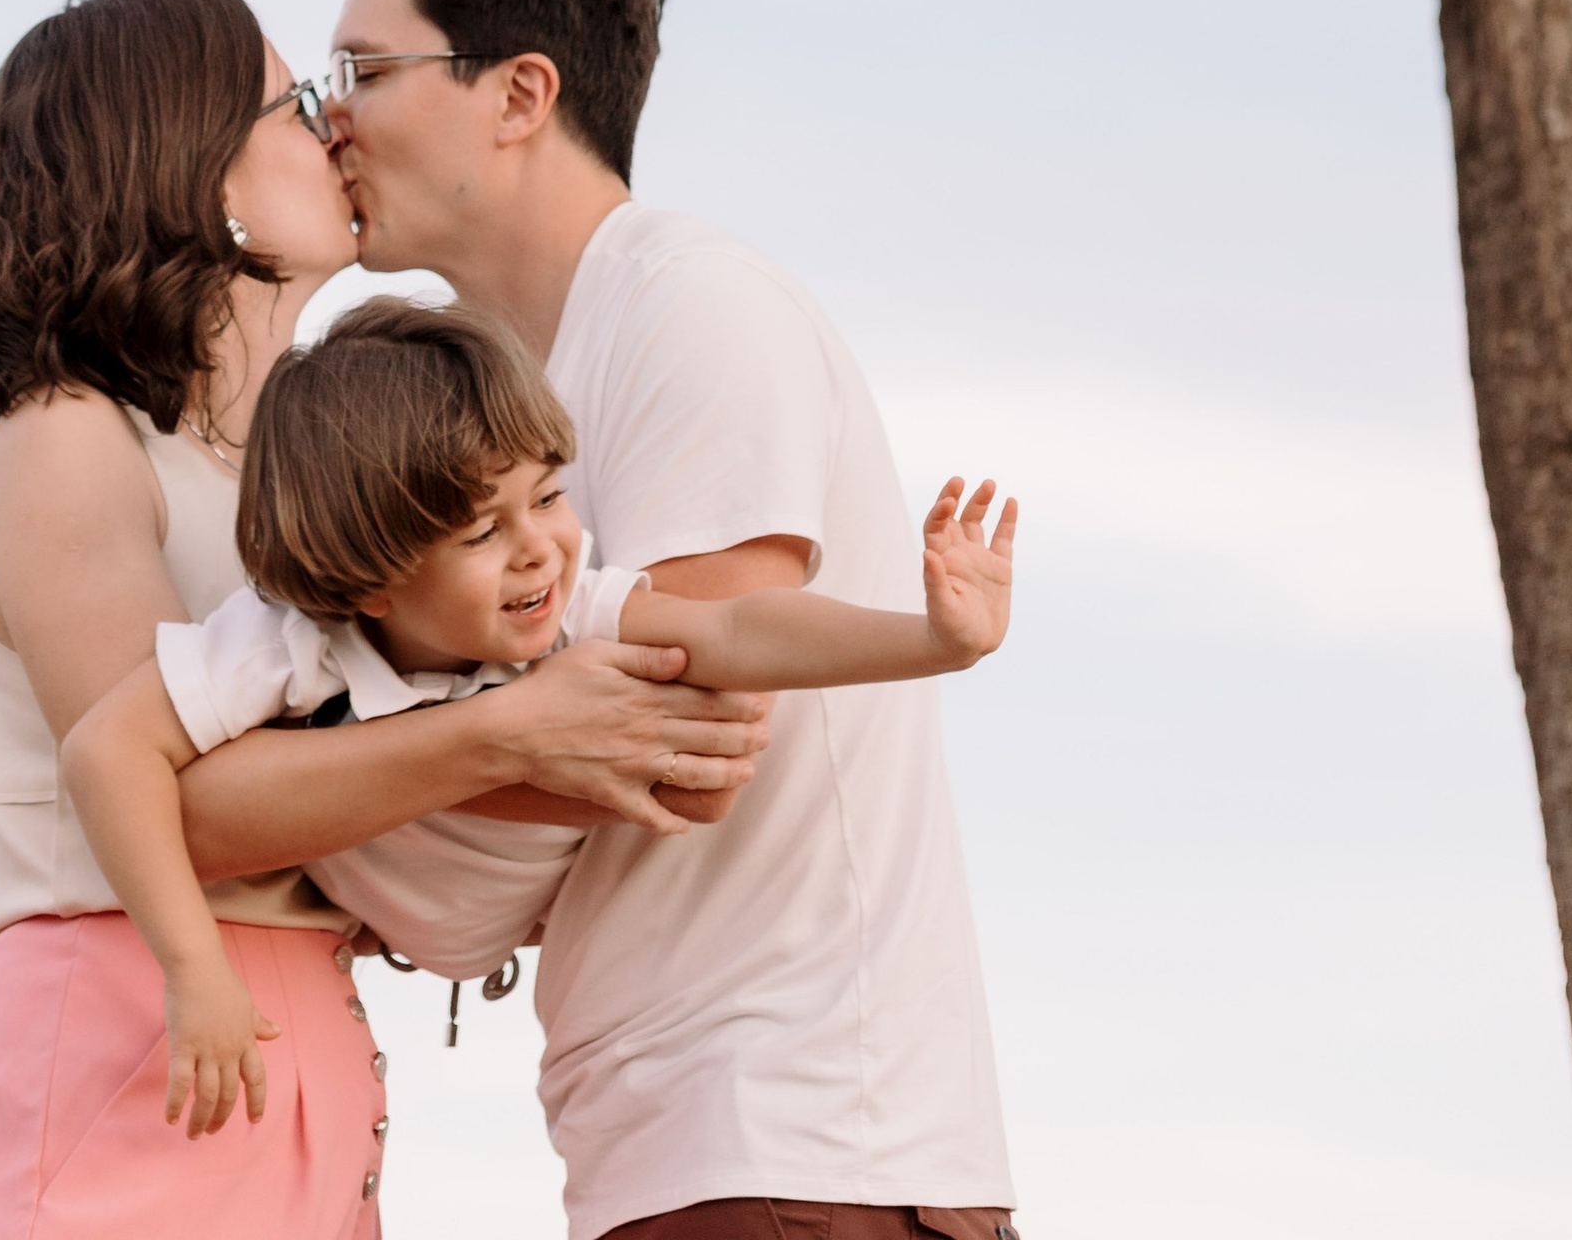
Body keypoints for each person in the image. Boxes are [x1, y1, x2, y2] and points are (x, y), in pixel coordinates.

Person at [0, 0, 771, 1240]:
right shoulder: (69, 440)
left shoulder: (284, 485)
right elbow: (172, 803)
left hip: (289, 1071)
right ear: (201, 178)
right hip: (124, 1062)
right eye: (292, 104)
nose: (335, 126)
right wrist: (508, 739)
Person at [322, 0, 1021, 1240]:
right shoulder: (520, 388)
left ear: (521, 93)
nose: (329, 117)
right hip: (696, 1150)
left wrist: (304, 791)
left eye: (364, 71)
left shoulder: (691, 306)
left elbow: (684, 739)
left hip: (792, 1143)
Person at [63, 294, 1016, 1139]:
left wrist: (931, 642)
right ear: (369, 579)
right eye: (483, 531)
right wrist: (194, 969)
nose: (541, 551)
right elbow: (106, 750)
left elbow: (731, 625)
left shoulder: (575, 614)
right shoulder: (293, 643)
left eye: (550, 495)